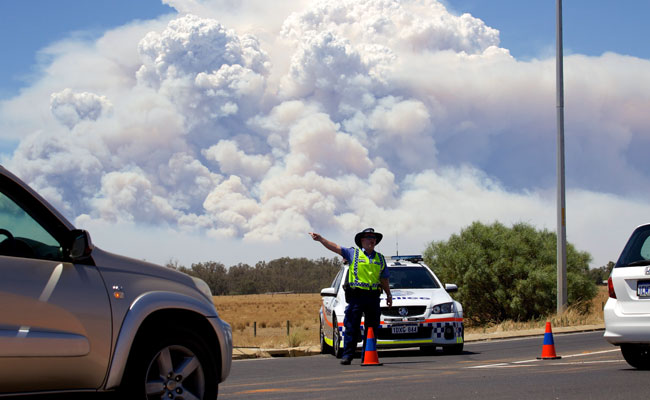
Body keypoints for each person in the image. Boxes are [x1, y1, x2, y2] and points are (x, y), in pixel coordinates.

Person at [309, 228, 392, 365]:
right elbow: (335, 247)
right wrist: (321, 239)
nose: (371, 240)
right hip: (357, 296)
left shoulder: (380, 259)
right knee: (351, 326)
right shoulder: (353, 253)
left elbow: (384, 279)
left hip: (373, 296)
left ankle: (368, 355)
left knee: (372, 327)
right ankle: (348, 355)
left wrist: (389, 294)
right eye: (368, 237)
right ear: (362, 240)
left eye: (374, 238)